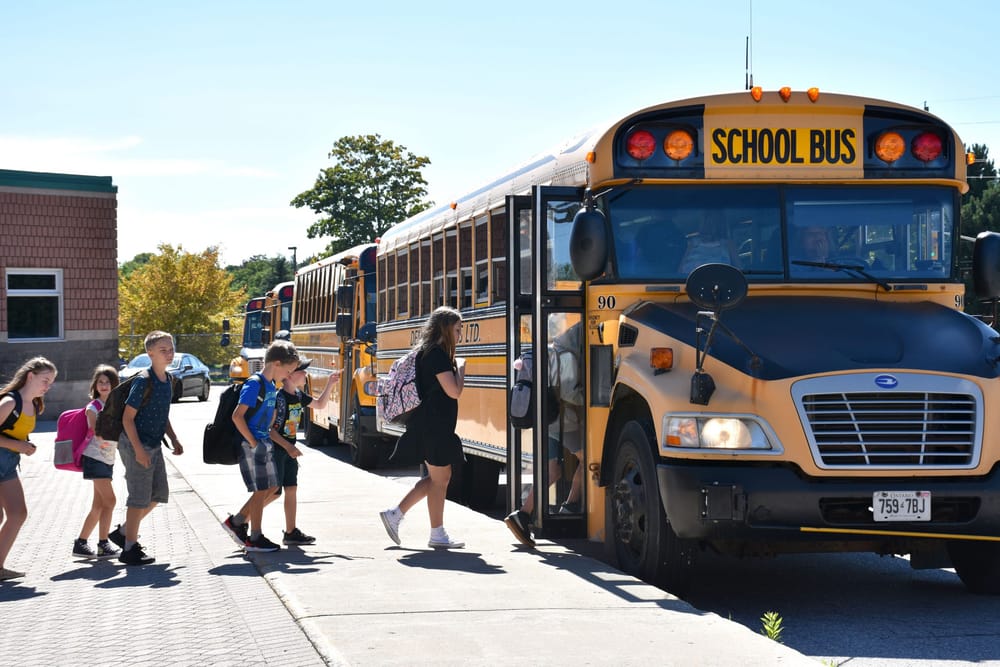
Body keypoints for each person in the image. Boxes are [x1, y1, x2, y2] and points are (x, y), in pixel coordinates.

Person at [221, 357, 339, 547]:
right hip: (278, 449)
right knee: (272, 491)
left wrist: (331, 384)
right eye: (302, 371)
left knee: (290, 488)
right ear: (289, 374)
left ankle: (290, 531)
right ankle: (240, 521)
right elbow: (271, 429)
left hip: (290, 449)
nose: (305, 374)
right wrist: (288, 447)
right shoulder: (278, 398)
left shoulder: (298, 396)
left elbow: (319, 405)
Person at [379, 306, 466, 549]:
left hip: (431, 425)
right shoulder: (437, 355)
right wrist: (461, 369)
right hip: (434, 426)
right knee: (440, 478)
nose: (459, 335)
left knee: (440, 478)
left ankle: (433, 531)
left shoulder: (425, 352)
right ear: (446, 328)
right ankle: (397, 514)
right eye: (457, 330)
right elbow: (454, 391)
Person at [106, 331, 183, 566]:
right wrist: (138, 450)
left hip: (154, 444)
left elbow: (163, 414)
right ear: (150, 353)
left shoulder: (168, 379)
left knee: (158, 495)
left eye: (170, 349)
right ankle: (129, 548)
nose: (169, 354)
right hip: (135, 444)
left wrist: (174, 438)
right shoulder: (143, 380)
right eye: (163, 350)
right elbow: (128, 419)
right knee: (138, 498)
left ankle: (122, 534)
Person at [505, 320, 585, 547]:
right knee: (589, 460)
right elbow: (570, 393)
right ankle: (570, 506)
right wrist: (593, 399)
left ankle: (522, 515)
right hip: (564, 421)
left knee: (552, 471)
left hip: (547, 419)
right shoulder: (568, 356)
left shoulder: (551, 350)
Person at [224, 339, 301, 552]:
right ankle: (254, 537)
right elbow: (237, 416)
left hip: (263, 442)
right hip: (252, 443)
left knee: (273, 487)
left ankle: (238, 521)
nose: (288, 376)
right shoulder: (254, 384)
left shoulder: (270, 386)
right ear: (276, 364)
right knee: (260, 491)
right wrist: (253, 441)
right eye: (287, 370)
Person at [0, 357, 58, 581]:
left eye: (51, 382)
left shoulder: (34, 404)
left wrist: (23, 446)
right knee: (12, 514)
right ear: (30, 376)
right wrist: (19, 445)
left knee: (16, 514)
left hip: (8, 464)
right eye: (45, 380)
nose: (48, 386)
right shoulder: (9, 402)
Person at [72, 364, 122, 560]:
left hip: (107, 459)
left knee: (99, 506)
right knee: (110, 501)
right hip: (94, 458)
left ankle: (81, 543)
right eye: (100, 382)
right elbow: (98, 433)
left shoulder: (117, 406)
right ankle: (103, 544)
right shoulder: (93, 408)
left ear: (114, 384)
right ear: (95, 385)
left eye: (107, 382)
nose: (103, 385)